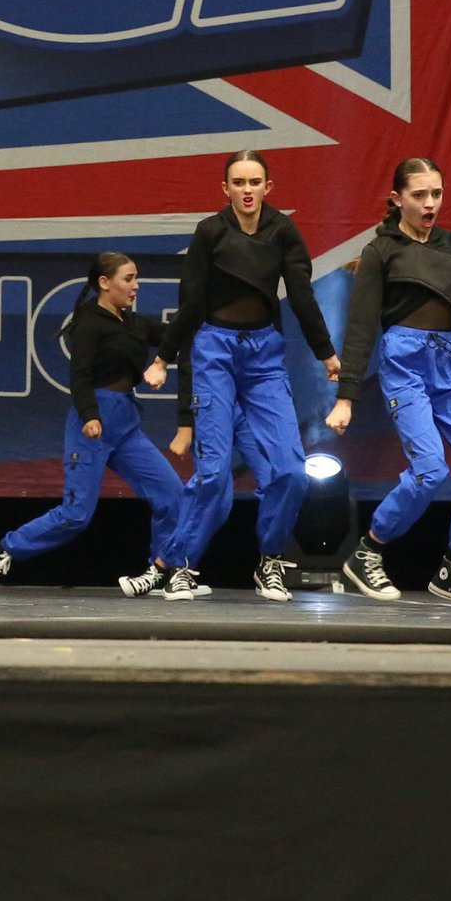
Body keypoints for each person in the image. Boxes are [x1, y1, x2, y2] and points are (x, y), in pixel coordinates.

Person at [143, 150, 340, 600]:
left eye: (255, 182)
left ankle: (270, 560)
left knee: (292, 471)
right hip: (215, 350)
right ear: (225, 189)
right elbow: (190, 302)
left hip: (264, 355)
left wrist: (327, 353)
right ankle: (182, 566)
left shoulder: (283, 231)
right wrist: (163, 358)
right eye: (238, 182)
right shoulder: (210, 231)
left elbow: (303, 297)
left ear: (268, 188)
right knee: (213, 472)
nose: (247, 190)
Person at [326, 157, 451, 608]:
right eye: (419, 195)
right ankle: (367, 552)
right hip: (404, 365)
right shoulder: (381, 251)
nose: (430, 204)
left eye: (437, 194)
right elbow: (361, 325)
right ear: (397, 199)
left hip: (449, 366)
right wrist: (346, 396)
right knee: (429, 470)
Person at [0, 252, 193, 597]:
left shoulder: (133, 323)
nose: (135, 286)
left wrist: (202, 317)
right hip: (92, 420)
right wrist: (90, 415)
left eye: (137, 278)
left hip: (126, 424)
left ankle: (163, 568)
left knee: (172, 494)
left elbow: (172, 337)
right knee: (76, 515)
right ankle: (1, 551)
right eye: (128, 279)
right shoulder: (89, 322)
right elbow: (79, 376)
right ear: (104, 283)